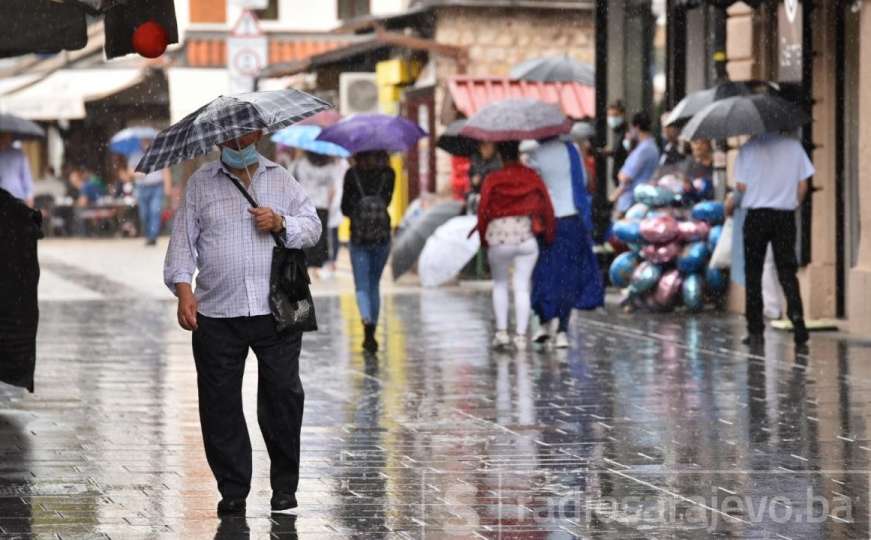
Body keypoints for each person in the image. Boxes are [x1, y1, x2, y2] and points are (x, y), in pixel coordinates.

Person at [163, 130, 321, 517]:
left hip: (277, 310)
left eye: (243, 133)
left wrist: (281, 222)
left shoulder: (280, 178)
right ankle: (233, 488)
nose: (236, 141)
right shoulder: (200, 184)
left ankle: (285, 486)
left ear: (259, 133)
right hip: (217, 313)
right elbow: (182, 245)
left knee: (284, 396)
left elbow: (313, 227)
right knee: (219, 405)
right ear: (216, 140)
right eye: (227, 136)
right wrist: (185, 292)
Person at [734, 131, 813, 347]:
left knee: (753, 274)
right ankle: (798, 320)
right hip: (784, 216)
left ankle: (755, 330)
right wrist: (792, 203)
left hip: (756, 216)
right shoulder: (794, 146)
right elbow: (804, 185)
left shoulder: (748, 148)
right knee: (787, 271)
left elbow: (741, 187)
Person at [476, 141, 555, 351]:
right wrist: (549, 233)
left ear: (500, 156)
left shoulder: (493, 179)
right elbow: (546, 206)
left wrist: (483, 238)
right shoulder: (531, 176)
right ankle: (521, 336)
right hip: (525, 238)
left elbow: (483, 209)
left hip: (499, 239)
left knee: (500, 284)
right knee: (522, 287)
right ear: (519, 153)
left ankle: (501, 333)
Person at [527, 136, 605, 348]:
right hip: (572, 218)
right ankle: (562, 329)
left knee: (544, 272)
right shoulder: (573, 150)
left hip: (546, 221)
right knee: (567, 276)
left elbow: (532, 187)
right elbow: (586, 181)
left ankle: (543, 323)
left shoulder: (534, 153)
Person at [341, 150, 394, 353]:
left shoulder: (352, 173)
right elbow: (387, 202)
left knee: (362, 285)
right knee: (374, 284)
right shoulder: (389, 173)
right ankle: (372, 332)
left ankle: (367, 324)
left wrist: (359, 206)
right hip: (382, 237)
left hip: (359, 237)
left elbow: (345, 208)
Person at [292, 151, 343, 271]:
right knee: (320, 235)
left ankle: (305, 260)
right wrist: (329, 204)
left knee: (305, 232)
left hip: (305, 204)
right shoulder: (330, 166)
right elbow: (332, 189)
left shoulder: (301, 164)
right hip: (322, 205)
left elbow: (295, 182)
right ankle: (317, 263)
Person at [610, 112, 660, 217]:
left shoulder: (644, 149)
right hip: (634, 200)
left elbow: (626, 177)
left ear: (636, 127)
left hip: (632, 202)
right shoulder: (646, 147)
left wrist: (613, 197)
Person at [128, 139, 172, 246]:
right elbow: (129, 171)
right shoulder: (135, 155)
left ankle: (153, 236)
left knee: (154, 211)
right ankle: (148, 234)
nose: (146, 143)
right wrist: (137, 174)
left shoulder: (159, 153)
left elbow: (165, 171)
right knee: (144, 214)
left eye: (148, 140)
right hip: (142, 187)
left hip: (157, 186)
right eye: (144, 141)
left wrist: (167, 187)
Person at [325, 158, 349, 276]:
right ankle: (332, 259)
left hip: (334, 199)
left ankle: (331, 259)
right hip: (338, 199)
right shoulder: (343, 164)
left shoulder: (336, 164)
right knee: (333, 232)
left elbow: (333, 186)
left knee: (331, 232)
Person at [465, 141, 501, 214]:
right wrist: (474, 180)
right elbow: (471, 175)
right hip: (477, 193)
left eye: (489, 146)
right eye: (484, 146)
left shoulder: (498, 161)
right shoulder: (475, 159)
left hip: (493, 194)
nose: (486, 149)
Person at [0, 132, 34, 207]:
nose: (4, 139)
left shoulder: (18, 154)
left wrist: (29, 196)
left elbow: (26, 176)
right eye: (2, 136)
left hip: (18, 197)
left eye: (6, 136)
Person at [602, 100, 629, 188]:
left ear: (622, 115)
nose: (612, 118)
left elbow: (621, 151)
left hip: (625, 178)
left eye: (615, 115)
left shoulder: (626, 132)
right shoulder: (616, 131)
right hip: (618, 177)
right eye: (610, 115)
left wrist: (607, 152)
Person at [681, 138, 715, 203]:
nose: (698, 147)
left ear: (709, 145)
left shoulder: (716, 165)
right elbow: (686, 185)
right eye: (695, 143)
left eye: (703, 143)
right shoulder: (690, 164)